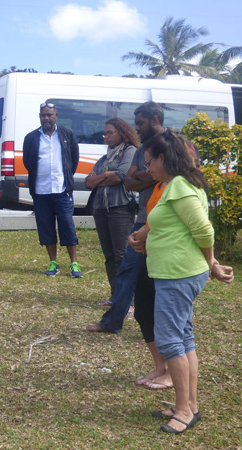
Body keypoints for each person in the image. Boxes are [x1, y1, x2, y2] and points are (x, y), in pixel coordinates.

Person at [133, 131, 233, 434]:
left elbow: (204, 232)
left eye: (149, 161)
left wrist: (211, 264)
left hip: (179, 274)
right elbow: (179, 226)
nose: (147, 168)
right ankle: (189, 405)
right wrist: (145, 236)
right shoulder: (176, 185)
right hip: (174, 272)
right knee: (183, 338)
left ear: (163, 158)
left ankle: (185, 410)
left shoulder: (180, 187)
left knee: (171, 341)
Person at [85, 102, 173, 389]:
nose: (136, 126)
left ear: (155, 120)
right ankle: (116, 323)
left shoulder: (176, 143)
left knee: (164, 294)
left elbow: (133, 178)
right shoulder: (140, 149)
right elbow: (131, 184)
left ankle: (173, 366)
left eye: (141, 122)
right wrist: (149, 175)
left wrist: (141, 176)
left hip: (165, 226)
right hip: (143, 221)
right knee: (132, 277)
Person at [23, 101, 82, 278]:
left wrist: (66, 177)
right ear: (39, 117)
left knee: (67, 226)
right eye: (43, 115)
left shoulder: (67, 134)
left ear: (56, 115)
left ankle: (74, 263)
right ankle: (53, 262)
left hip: (62, 190)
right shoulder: (31, 138)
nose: (46, 118)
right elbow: (28, 162)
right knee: (46, 227)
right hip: (41, 191)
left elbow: (74, 159)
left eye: (49, 114)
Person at [85, 118, 138, 304]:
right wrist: (107, 174)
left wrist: (102, 177)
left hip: (120, 209)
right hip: (101, 209)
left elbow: (121, 177)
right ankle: (115, 296)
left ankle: (128, 299)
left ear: (122, 132)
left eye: (110, 133)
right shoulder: (105, 158)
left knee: (122, 254)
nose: (106, 137)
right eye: (105, 134)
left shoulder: (129, 152)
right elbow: (88, 183)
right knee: (109, 255)